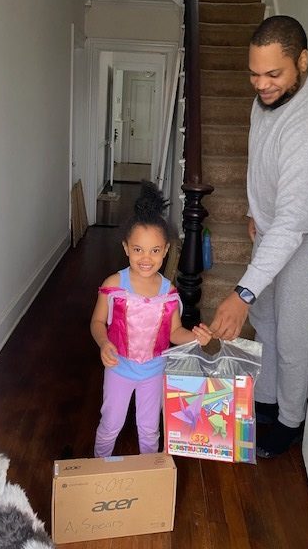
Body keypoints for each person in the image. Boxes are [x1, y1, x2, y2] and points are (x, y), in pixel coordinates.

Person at [209, 16, 308, 458]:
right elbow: (262, 160)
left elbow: (294, 222)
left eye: (274, 74)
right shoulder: (268, 100)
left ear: (302, 62)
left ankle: (290, 421)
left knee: (293, 336)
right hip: (271, 231)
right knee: (265, 324)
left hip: (306, 243)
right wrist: (254, 209)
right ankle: (266, 402)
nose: (262, 84)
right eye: (254, 73)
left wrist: (241, 292)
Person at [91, 181, 211, 458]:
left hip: (154, 371)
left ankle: (151, 474)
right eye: (138, 250)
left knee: (149, 429)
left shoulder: (169, 291)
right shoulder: (113, 284)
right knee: (110, 424)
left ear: (166, 250)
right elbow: (97, 322)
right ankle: (98, 470)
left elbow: (175, 332)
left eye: (155, 250)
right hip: (119, 368)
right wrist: (103, 343)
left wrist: (195, 336)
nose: (146, 258)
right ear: (126, 248)